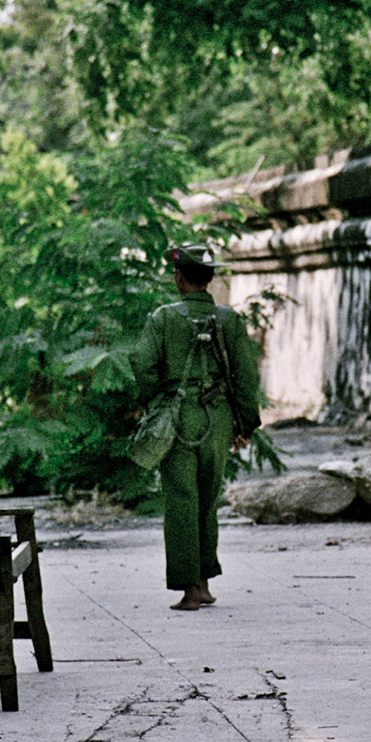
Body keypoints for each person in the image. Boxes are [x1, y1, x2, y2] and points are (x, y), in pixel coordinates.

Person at [129, 243, 263, 610]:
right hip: (218, 419)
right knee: (207, 500)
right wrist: (246, 424)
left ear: (178, 279)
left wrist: (156, 400)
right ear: (209, 279)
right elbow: (247, 377)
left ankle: (189, 590)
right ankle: (203, 582)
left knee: (181, 501)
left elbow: (142, 363)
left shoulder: (163, 318)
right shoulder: (230, 320)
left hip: (178, 419)